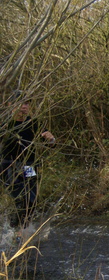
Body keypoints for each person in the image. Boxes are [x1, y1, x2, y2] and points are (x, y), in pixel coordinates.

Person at [1, 90, 56, 230]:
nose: (24, 106)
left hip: (29, 166)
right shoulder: (4, 124)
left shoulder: (33, 123)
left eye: (26, 103)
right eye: (20, 103)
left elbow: (51, 144)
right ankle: (14, 232)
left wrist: (51, 139)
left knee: (31, 199)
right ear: (10, 104)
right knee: (19, 199)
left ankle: (23, 230)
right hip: (9, 166)